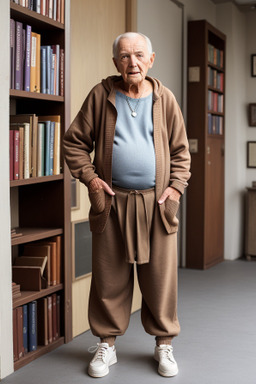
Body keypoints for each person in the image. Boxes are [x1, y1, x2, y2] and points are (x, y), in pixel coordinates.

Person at [63, 32, 191, 378]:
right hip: (113, 202)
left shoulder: (165, 99)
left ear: (151, 59)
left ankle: (164, 345)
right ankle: (107, 345)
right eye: (123, 56)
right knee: (109, 278)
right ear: (115, 62)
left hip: (157, 203)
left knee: (160, 279)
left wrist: (176, 189)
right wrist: (91, 180)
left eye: (138, 55)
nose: (131, 63)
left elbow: (181, 153)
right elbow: (74, 144)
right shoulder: (101, 95)